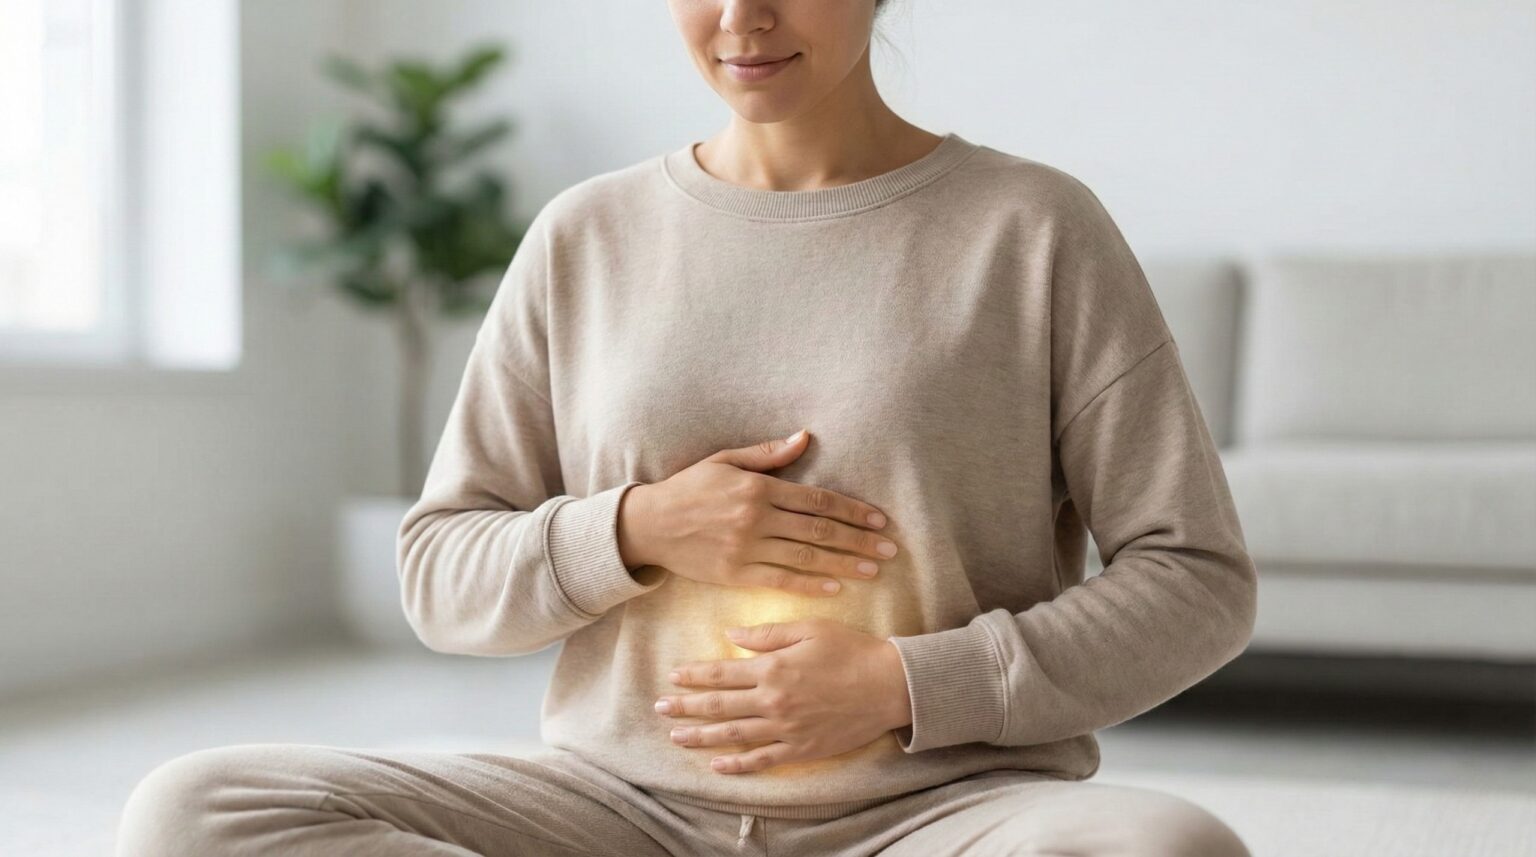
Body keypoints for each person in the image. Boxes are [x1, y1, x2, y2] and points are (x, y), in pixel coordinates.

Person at [116, 1, 1258, 854]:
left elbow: (1197, 577)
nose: (739, 18)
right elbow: (438, 570)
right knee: (196, 808)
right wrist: (636, 528)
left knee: (1170, 848)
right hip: (620, 809)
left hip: (942, 813)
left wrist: (904, 681)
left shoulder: (1032, 228)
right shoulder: (587, 234)